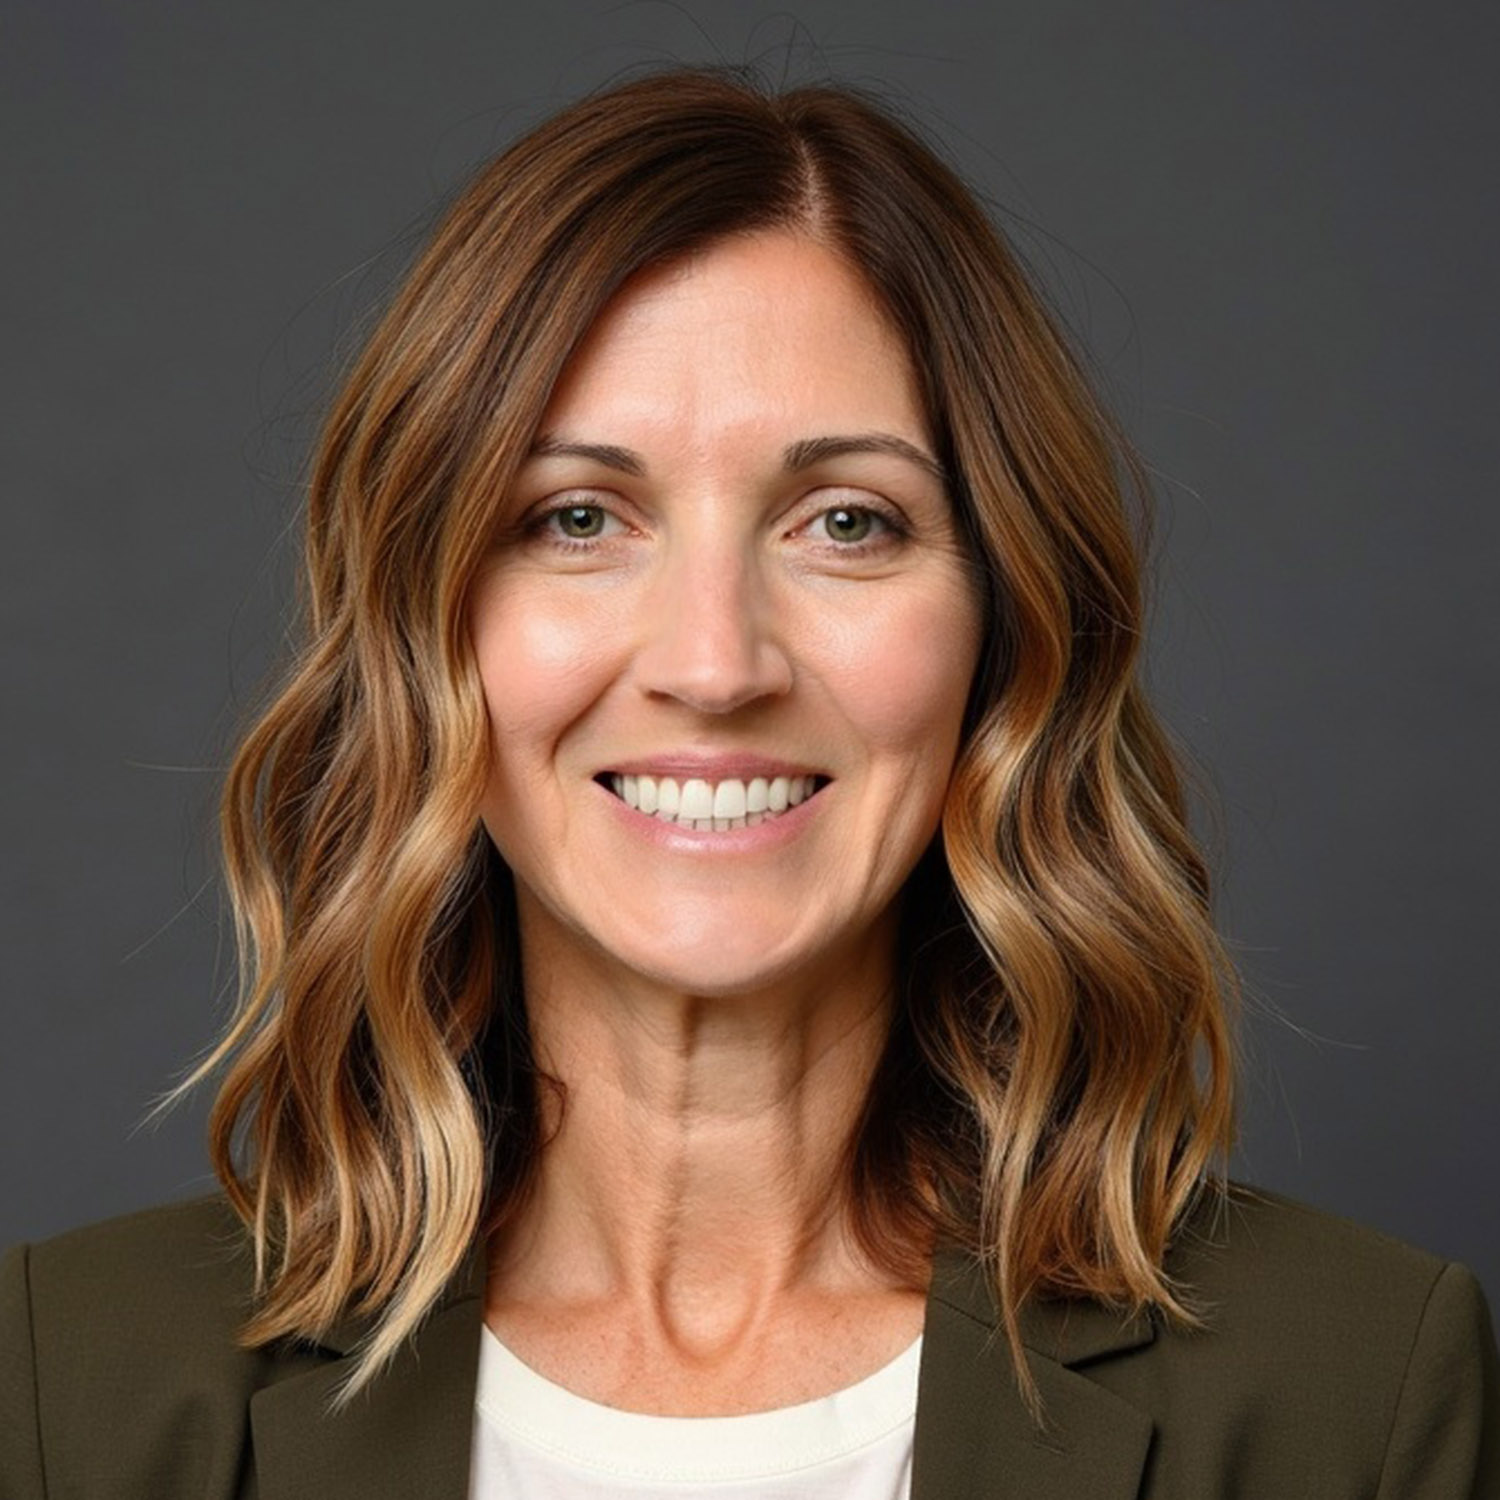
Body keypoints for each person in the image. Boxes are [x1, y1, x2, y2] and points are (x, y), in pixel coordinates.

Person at [2, 63, 1495, 1500]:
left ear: (1006, 624)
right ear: (426, 627)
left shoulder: (1353, 1394)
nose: (715, 665)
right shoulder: (62, 1388)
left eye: (846, 522)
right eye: (579, 516)